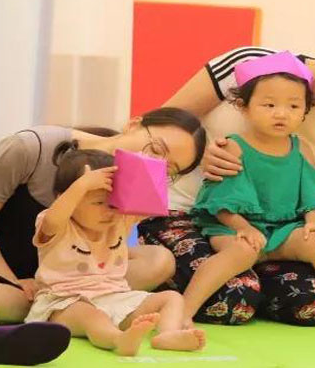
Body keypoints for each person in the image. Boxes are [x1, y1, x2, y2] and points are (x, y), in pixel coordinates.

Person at [139, 39, 315, 325]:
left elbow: (314, 199)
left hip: (271, 234)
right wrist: (195, 152)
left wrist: (311, 227)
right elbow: (155, 126)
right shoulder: (249, 63)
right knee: (232, 299)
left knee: (313, 304)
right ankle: (193, 298)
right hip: (185, 213)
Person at [0, 108, 206, 365]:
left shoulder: (123, 188)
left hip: (57, 277)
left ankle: (66, 311)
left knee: (159, 259)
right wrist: (12, 280)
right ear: (133, 125)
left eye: (167, 169)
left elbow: (119, 235)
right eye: (156, 149)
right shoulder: (29, 148)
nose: (154, 163)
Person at [25, 144, 205, 356]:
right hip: (64, 303)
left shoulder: (120, 219)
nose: (108, 212)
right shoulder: (58, 224)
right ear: (64, 197)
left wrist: (144, 168)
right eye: (98, 202)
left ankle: (168, 334)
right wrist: (82, 185)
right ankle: (119, 340)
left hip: (115, 298)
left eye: (113, 203)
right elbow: (54, 218)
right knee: (93, 317)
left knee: (171, 298)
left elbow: (150, 199)